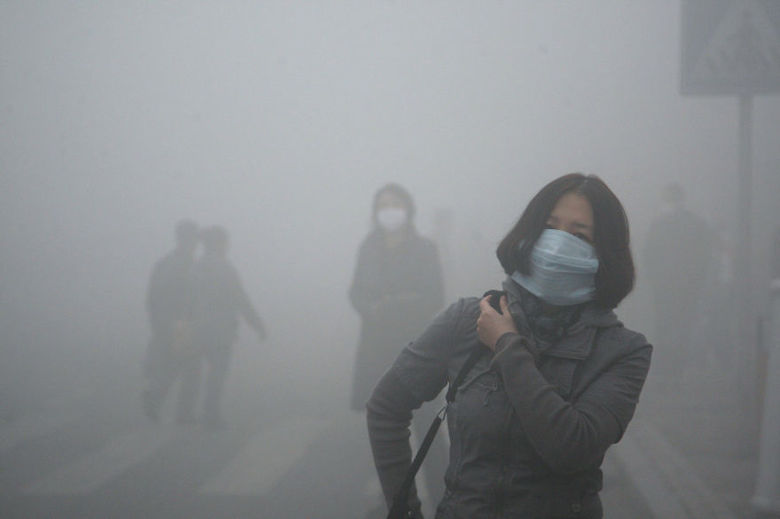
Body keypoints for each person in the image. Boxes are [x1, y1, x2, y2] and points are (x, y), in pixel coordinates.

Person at [367, 173, 652, 519]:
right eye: (551, 227)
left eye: (580, 235)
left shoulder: (622, 352)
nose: (559, 244)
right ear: (530, 234)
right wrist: (404, 512)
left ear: (604, 254)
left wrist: (506, 345)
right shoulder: (468, 319)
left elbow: (571, 450)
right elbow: (385, 407)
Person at [349, 183, 446, 511]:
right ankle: (400, 503)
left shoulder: (424, 249)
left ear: (408, 209)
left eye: (395, 204)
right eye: (383, 205)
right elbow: (355, 292)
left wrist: (400, 304)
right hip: (376, 349)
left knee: (427, 431)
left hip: (416, 348)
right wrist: (372, 307)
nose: (389, 211)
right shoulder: (369, 248)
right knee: (385, 430)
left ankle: (443, 497)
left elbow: (436, 296)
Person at [178, 225, 266, 428]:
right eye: (226, 242)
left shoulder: (196, 267)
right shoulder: (225, 268)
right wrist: (257, 325)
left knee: (194, 371)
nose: (228, 246)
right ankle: (211, 414)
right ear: (218, 244)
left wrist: (186, 324)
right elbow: (240, 299)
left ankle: (185, 412)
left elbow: (187, 301)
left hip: (197, 328)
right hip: (220, 329)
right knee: (217, 372)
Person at [643, 182, 713, 386]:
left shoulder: (661, 224)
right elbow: (704, 255)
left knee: (669, 325)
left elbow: (649, 254)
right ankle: (674, 368)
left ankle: (668, 367)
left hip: (668, 285)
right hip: (680, 285)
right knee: (679, 325)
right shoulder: (695, 223)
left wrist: (656, 278)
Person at [142, 219, 200, 422]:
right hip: (182, 324)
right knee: (191, 367)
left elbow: (151, 296)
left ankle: (154, 398)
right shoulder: (188, 265)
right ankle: (182, 412)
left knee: (172, 365)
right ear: (188, 239)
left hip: (166, 322)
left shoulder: (163, 263)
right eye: (193, 238)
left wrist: (156, 322)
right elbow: (192, 297)